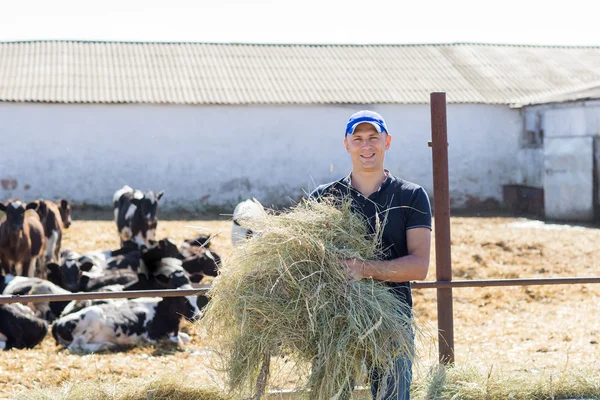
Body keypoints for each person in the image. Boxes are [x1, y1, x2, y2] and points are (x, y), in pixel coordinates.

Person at [310, 110, 432, 400]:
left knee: (391, 396)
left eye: (373, 138)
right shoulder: (324, 197)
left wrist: (363, 269)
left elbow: (418, 266)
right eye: (358, 139)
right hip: (334, 321)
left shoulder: (410, 195)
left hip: (391, 322)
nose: (366, 146)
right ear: (347, 145)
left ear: (387, 142)